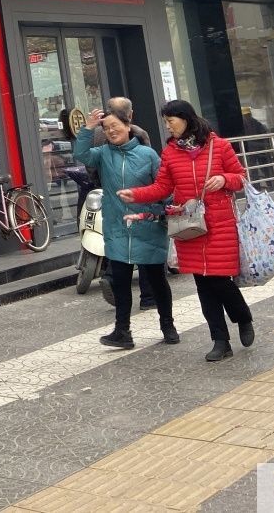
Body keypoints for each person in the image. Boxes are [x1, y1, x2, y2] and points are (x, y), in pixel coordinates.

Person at [120, 99, 254, 363]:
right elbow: (162, 187)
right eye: (166, 122)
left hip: (219, 224)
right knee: (203, 284)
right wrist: (136, 194)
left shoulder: (219, 146)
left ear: (186, 118)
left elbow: (241, 177)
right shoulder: (170, 152)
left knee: (219, 280)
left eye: (171, 121)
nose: (168, 127)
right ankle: (220, 341)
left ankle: (242, 317)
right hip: (189, 227)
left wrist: (224, 179)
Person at [73, 109, 176, 350]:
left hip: (147, 225)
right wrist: (88, 128)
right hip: (117, 227)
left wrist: (159, 212)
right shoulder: (103, 154)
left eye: (115, 125)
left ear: (128, 125)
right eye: (106, 128)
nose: (111, 131)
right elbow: (81, 154)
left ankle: (168, 326)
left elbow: (164, 187)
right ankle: (122, 331)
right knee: (120, 282)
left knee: (157, 280)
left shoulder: (148, 154)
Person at [89, 97, 157, 309]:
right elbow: (150, 167)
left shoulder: (97, 133)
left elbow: (91, 167)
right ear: (130, 115)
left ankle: (111, 278)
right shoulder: (138, 133)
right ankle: (148, 298)